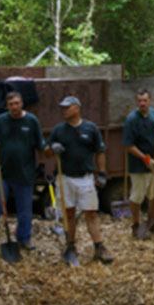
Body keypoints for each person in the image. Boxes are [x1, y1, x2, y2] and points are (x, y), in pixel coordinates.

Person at [46, 96, 113, 264]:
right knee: (69, 213)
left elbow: (100, 151)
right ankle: (70, 247)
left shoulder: (91, 128)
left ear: (77, 108)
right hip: (65, 177)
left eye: (67, 107)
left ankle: (99, 247)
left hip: (85, 178)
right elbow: (45, 151)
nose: (63, 110)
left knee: (91, 213)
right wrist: (52, 149)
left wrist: (102, 173)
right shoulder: (58, 130)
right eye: (62, 108)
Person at [0, 91, 45, 250]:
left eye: (17, 103)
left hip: (24, 173)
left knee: (25, 210)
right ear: (7, 106)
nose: (14, 107)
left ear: (22, 103)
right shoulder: (1, 120)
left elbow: (40, 145)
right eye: (11, 104)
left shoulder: (31, 121)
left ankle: (24, 238)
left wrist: (43, 163)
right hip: (3, 173)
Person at [123, 89, 154, 239]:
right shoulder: (131, 120)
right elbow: (128, 146)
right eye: (140, 101)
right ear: (137, 102)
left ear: (150, 100)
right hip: (138, 166)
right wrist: (146, 159)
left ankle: (151, 221)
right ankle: (136, 225)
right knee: (137, 197)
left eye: (145, 100)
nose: (142, 103)